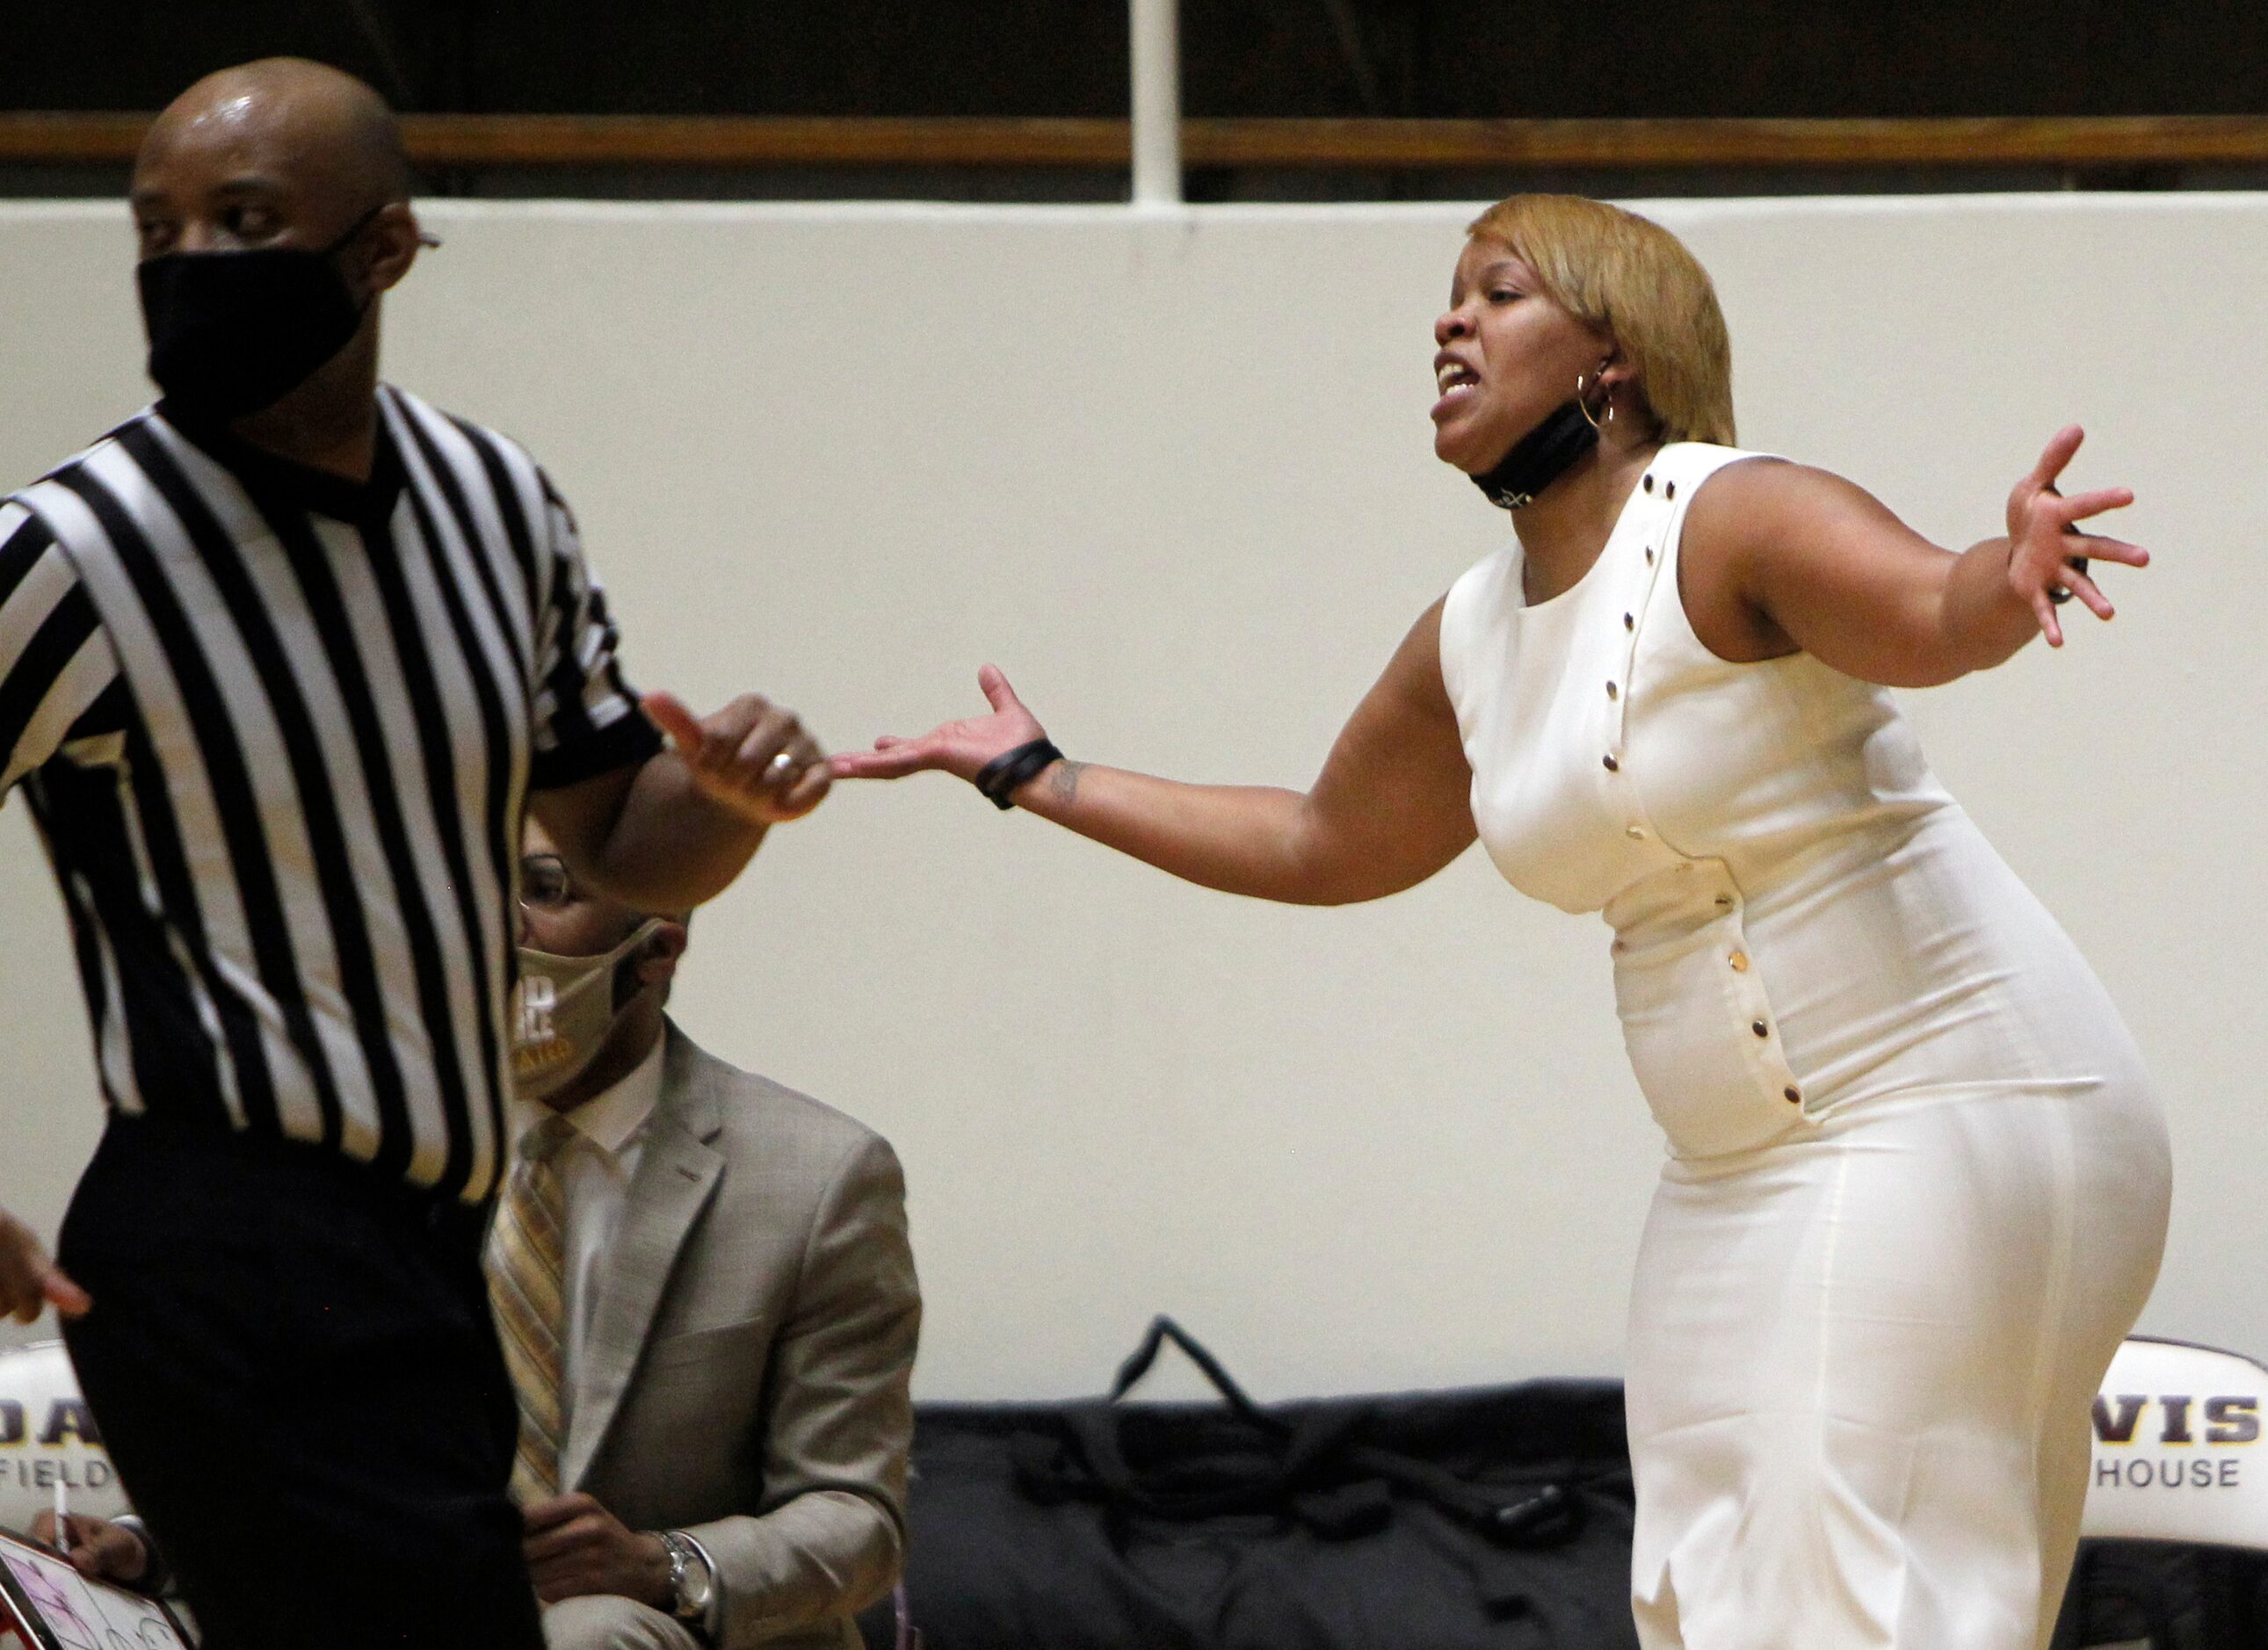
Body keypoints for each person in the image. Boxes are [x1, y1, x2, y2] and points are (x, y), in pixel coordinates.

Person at [830, 193, 2172, 1650]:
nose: (1448, 320)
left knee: (1864, 1590)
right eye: (1451, 294)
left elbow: (1925, 602)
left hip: (1951, 1095)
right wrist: (1043, 775)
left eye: (1499, 292)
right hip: (1733, 1168)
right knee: (1711, 1587)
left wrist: (2009, 569)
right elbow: (1323, 838)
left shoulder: (1729, 513)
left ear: (1613, 357)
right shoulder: (1476, 630)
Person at [0, 59, 830, 1650]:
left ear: (381, 248)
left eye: (244, 222)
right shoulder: (73, 548)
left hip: (430, 1237)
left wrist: (728, 797)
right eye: (156, 229)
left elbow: (621, 843)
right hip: (217, 1230)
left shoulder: (495, 506)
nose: (189, 265)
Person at [43, 820, 920, 1650]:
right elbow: (308, 1456)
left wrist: (662, 1565)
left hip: (658, 1631)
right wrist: (150, 1545)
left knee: (584, 1635)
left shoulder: (819, 1177)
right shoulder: (363, 1153)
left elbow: (855, 1519)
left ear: (655, 948)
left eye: (544, 889)